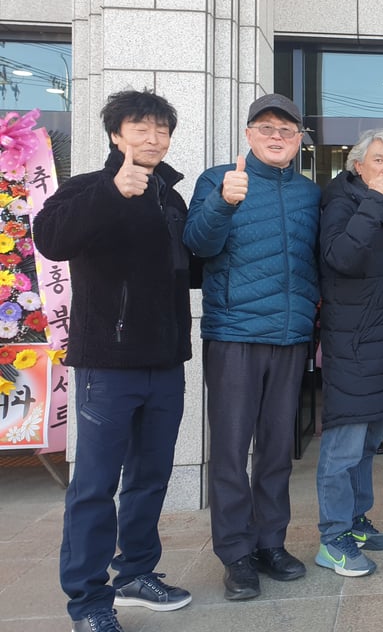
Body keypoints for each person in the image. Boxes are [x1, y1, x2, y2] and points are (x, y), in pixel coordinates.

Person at [35, 90, 193, 632]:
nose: (153, 138)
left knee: (151, 477)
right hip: (107, 364)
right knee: (96, 485)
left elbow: (186, 270)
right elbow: (51, 240)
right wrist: (110, 192)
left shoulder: (171, 198)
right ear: (115, 135)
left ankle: (135, 573)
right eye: (140, 128)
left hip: (166, 361)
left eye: (161, 130)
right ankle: (87, 600)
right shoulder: (85, 188)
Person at [184, 93, 320, 601]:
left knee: (276, 451)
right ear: (248, 135)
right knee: (230, 451)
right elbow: (197, 244)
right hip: (235, 335)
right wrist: (225, 200)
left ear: (299, 139)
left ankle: (270, 543)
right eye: (267, 128)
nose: (277, 136)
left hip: (289, 337)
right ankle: (235, 554)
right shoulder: (219, 179)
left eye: (287, 130)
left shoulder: (309, 194)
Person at [316, 128, 383, 577]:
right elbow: (341, 257)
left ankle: (355, 522)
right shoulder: (343, 200)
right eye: (379, 159)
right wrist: (374, 200)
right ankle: (332, 538)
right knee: (342, 448)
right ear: (358, 165)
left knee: (369, 445)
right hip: (354, 345)